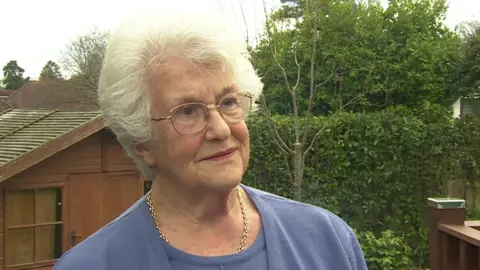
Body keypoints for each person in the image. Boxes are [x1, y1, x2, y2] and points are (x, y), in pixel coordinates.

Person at [54, 6, 367, 270]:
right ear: (142, 143)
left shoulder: (327, 242)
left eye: (228, 102)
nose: (221, 129)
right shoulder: (94, 263)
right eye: (188, 111)